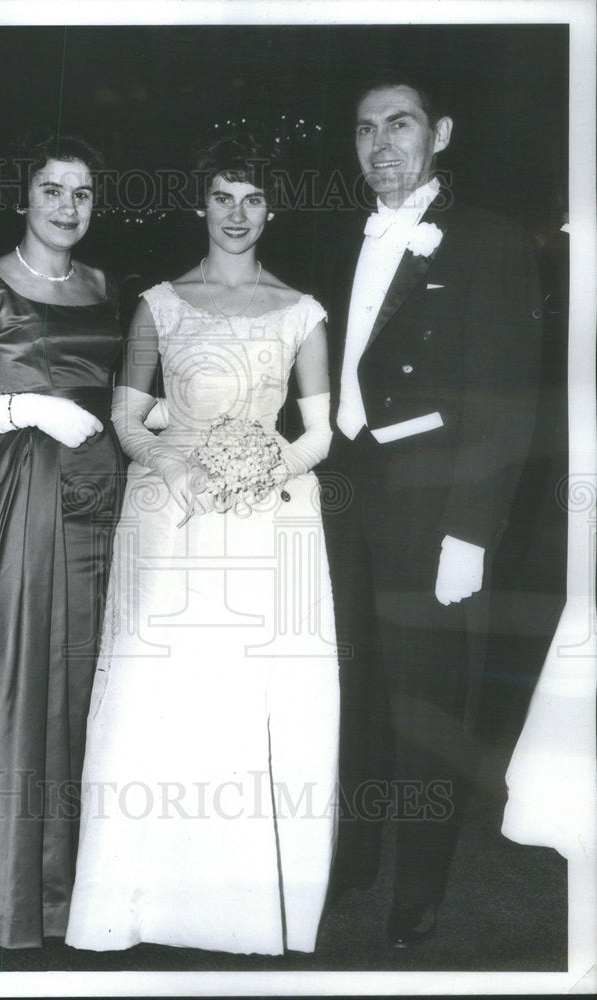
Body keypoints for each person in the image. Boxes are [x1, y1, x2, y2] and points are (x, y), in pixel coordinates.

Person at [65, 132, 339, 956]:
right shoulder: (158, 304)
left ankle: (242, 908)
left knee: (250, 693)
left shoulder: (302, 310)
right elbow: (124, 415)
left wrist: (267, 466)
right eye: (222, 197)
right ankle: (140, 901)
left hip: (265, 512)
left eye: (252, 199)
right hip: (171, 510)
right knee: (161, 686)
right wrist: (175, 465)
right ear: (200, 203)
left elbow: (321, 432)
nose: (237, 214)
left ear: (272, 208)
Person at [316, 76, 543, 948]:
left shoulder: (486, 239)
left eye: (400, 124)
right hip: (345, 497)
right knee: (355, 698)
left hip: (434, 508)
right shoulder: (341, 237)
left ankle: (419, 886)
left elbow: (510, 396)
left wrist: (471, 532)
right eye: (365, 127)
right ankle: (353, 862)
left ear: (440, 132)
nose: (381, 143)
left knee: (427, 705)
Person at [0, 128, 124, 949]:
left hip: (106, 492)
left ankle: (87, 887)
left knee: (91, 679)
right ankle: (16, 894)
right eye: (52, 190)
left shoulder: (107, 283)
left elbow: (118, 394)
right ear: (23, 197)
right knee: (26, 673)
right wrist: (29, 408)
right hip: (27, 489)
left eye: (81, 192)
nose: (67, 207)